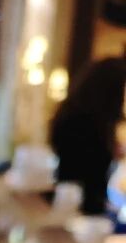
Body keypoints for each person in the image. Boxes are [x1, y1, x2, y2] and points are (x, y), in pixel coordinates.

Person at [50, 58, 126, 219]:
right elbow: (91, 172)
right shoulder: (88, 123)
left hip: (67, 200)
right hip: (82, 208)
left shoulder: (72, 112)